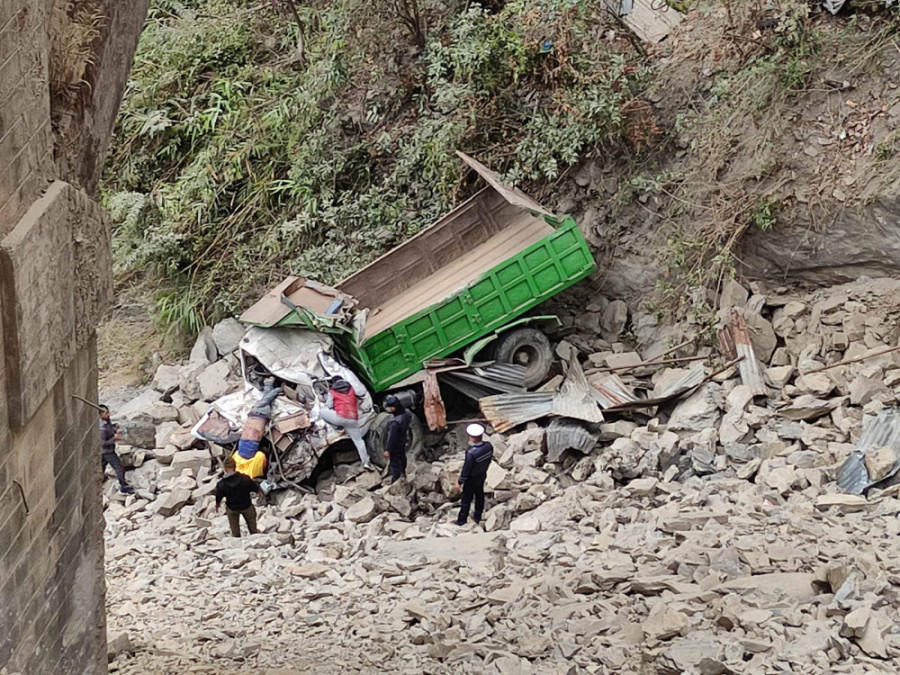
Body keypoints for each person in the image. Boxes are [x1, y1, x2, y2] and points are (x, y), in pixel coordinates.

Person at [318, 377, 373, 470]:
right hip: (352, 419)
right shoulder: (351, 389)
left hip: (340, 417)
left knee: (321, 411)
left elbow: (329, 405)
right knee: (359, 441)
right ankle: (366, 462)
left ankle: (337, 427)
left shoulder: (332, 392)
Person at [456, 423, 493, 526]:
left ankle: (461, 520)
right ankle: (478, 515)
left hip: (471, 479)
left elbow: (466, 470)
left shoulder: (471, 453)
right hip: (482, 474)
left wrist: (459, 482)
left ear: (472, 437)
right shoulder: (488, 446)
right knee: (479, 494)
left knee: (466, 499)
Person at [215, 455, 261, 537]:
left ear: (225, 468)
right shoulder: (245, 479)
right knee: (253, 529)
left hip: (232, 508)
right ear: (235, 466)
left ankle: (236, 540)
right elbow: (256, 489)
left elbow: (218, 497)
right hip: (246, 506)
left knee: (235, 533)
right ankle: (254, 535)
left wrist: (217, 505)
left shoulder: (222, 484)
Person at [99, 405, 134, 494]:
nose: (109, 414)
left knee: (101, 468)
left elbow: (110, 428)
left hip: (105, 452)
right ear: (100, 415)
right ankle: (124, 486)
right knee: (119, 467)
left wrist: (116, 428)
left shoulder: (106, 422)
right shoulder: (102, 428)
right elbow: (102, 443)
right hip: (107, 452)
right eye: (106, 413)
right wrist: (114, 438)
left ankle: (99, 483)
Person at [382, 395, 412, 483]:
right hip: (403, 440)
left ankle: (396, 481)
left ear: (394, 408)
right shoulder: (407, 413)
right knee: (402, 457)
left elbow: (391, 437)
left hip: (395, 444)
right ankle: (403, 473)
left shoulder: (395, 423)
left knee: (394, 463)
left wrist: (387, 449)